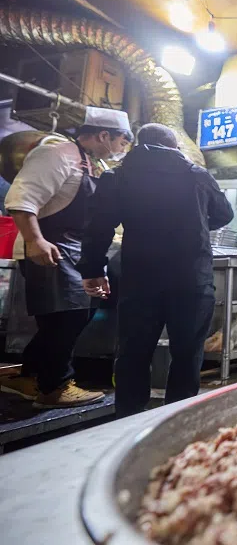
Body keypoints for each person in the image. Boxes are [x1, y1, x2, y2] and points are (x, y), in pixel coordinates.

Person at [76, 123, 233, 417]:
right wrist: (198, 221)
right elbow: (225, 213)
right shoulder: (196, 174)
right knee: (187, 353)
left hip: (139, 279)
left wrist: (93, 269)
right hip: (191, 279)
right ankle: (176, 420)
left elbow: (97, 228)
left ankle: (128, 419)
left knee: (133, 352)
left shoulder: (118, 176)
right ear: (174, 147)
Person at [0, 107, 132, 408]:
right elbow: (22, 199)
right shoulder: (56, 154)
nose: (122, 148)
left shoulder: (88, 162)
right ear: (103, 135)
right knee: (67, 316)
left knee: (71, 315)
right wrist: (35, 240)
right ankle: (55, 387)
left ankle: (31, 376)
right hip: (50, 247)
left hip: (72, 251)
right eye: (122, 141)